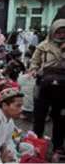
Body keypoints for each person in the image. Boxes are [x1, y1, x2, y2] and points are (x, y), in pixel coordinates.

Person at [30, 19, 65, 155]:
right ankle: (37, 143)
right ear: (52, 33)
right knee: (39, 115)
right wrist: (33, 70)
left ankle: (58, 145)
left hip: (63, 87)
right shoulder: (43, 46)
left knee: (61, 118)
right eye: (58, 32)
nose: (61, 35)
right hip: (44, 84)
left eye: (64, 32)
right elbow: (34, 62)